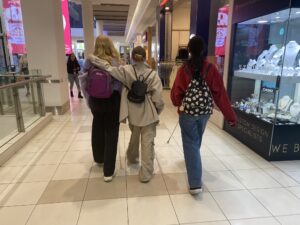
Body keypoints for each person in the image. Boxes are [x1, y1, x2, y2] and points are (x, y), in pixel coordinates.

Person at [171, 36, 237, 195]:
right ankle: (194, 162)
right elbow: (220, 94)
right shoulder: (211, 69)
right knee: (196, 141)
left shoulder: (184, 70)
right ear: (203, 50)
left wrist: (179, 104)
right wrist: (231, 117)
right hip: (205, 113)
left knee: (191, 144)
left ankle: (194, 184)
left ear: (189, 50)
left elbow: (175, 95)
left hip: (188, 113)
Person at [87, 46, 164, 183]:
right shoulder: (153, 74)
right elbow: (158, 98)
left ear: (132, 57)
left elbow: (107, 67)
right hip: (148, 114)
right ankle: (145, 174)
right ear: (145, 57)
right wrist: (157, 110)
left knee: (134, 136)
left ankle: (132, 157)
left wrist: (93, 58)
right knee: (147, 143)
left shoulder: (126, 70)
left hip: (133, 113)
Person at [84, 35, 123, 182]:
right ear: (110, 46)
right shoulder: (116, 62)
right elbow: (120, 83)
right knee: (111, 132)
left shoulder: (89, 61)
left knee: (97, 126)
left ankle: (99, 158)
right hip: (112, 100)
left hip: (95, 100)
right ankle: (108, 171)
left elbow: (83, 80)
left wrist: (88, 99)